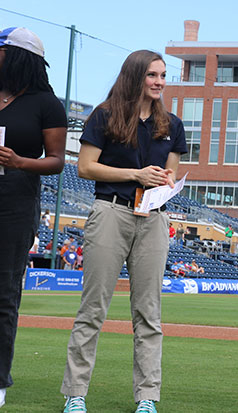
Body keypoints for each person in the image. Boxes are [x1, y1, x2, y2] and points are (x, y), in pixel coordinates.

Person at [60, 50, 186, 413]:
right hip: (111, 212)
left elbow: (171, 171)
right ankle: (75, 394)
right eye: (152, 75)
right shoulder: (104, 115)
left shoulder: (172, 124)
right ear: (135, 77)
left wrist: (166, 180)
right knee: (93, 309)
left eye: (162, 75)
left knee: (149, 314)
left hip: (154, 219)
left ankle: (147, 398)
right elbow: (85, 167)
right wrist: (136, 174)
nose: (160, 81)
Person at [0, 27, 67, 408]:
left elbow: (57, 161)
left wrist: (19, 161)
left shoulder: (46, 103)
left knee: (4, 296)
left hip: (14, 201)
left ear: (15, 55)